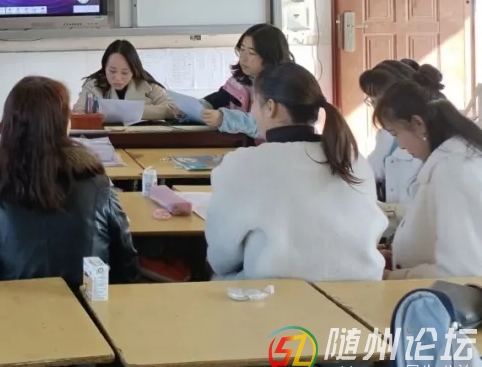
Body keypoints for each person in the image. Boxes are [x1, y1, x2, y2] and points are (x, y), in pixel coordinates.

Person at [205, 63, 386, 281]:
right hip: (360, 290)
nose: (252, 112)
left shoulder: (243, 164)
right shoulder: (352, 159)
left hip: (275, 295)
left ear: (270, 107)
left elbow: (222, 258)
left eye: (254, 103)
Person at [0, 75, 141, 288]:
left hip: (8, 305)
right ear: (64, 124)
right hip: (85, 306)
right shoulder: (96, 183)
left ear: (8, 124)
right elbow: (127, 265)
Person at [374, 80, 482, 279]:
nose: (400, 145)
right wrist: (397, 256)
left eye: (396, 133)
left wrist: (393, 276)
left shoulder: (452, 170)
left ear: (419, 124)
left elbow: (461, 271)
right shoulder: (452, 160)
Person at [361, 59, 444, 207]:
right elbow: (369, 173)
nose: (374, 107)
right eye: (370, 100)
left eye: (376, 100)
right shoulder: (385, 136)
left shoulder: (433, 140)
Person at [201, 24, 293, 137]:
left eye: (251, 53)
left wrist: (224, 119)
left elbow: (267, 125)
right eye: (242, 49)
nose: (243, 58)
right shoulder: (240, 81)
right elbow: (217, 100)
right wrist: (193, 109)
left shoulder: (285, 87)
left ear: (270, 56)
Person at [74, 40, 180, 120]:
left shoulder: (147, 84)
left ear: (134, 70)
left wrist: (132, 111)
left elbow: (174, 108)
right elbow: (79, 112)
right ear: (104, 67)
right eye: (112, 71)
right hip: (103, 136)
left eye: (125, 72)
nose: (117, 78)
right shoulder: (93, 85)